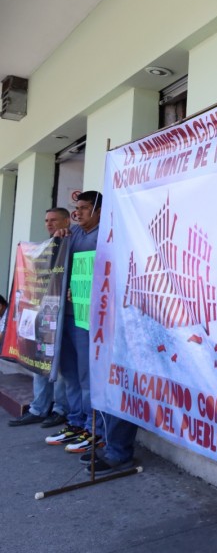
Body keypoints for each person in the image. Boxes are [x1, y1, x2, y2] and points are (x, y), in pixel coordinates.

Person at [45, 192, 106, 453]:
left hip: (88, 319)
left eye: (84, 208)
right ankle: (76, 422)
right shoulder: (76, 234)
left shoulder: (105, 234)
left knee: (86, 376)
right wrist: (57, 242)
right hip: (66, 315)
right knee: (69, 373)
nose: (77, 213)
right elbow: (58, 266)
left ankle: (96, 430)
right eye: (76, 208)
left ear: (99, 210)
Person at [8, 208, 71, 428]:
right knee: (39, 362)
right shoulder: (46, 247)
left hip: (65, 317)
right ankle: (38, 408)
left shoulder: (71, 243)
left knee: (62, 367)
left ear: (67, 220)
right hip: (42, 315)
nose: (49, 224)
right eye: (46, 220)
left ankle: (60, 409)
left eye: (54, 220)